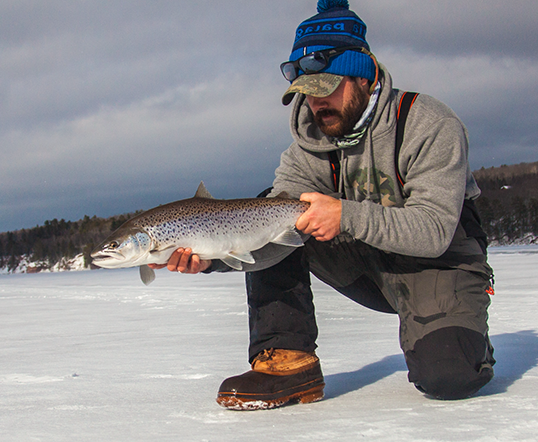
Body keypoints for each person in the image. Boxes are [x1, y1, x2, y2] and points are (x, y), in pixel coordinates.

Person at [150, 0, 496, 410]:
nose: (316, 104)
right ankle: (287, 361)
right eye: (306, 95)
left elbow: (436, 231)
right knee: (271, 210)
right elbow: (271, 241)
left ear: (363, 76)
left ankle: (462, 339)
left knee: (447, 377)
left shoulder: (428, 124)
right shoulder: (307, 149)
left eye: (325, 89)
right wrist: (213, 259)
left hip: (438, 265)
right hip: (366, 266)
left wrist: (344, 215)